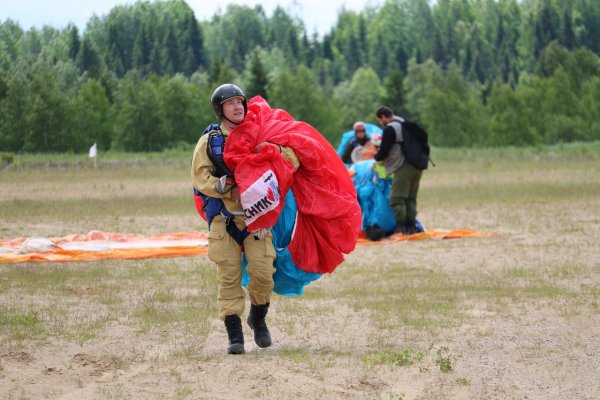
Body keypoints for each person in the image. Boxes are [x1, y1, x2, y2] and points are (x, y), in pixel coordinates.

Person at [191, 83, 299, 355]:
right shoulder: (210, 141)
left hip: (258, 217)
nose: (237, 106)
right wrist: (223, 184)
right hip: (225, 219)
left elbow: (291, 160)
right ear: (220, 109)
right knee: (228, 276)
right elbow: (200, 177)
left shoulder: (261, 132)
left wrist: (272, 154)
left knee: (263, 274)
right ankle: (234, 336)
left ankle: (258, 319)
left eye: (240, 102)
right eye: (231, 103)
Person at [373, 106, 423, 235]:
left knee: (397, 198)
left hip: (403, 165)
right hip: (418, 164)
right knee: (410, 198)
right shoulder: (405, 123)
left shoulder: (391, 128)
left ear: (384, 117)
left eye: (379, 120)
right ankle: (411, 227)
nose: (380, 123)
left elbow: (384, 151)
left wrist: (376, 157)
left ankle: (401, 228)